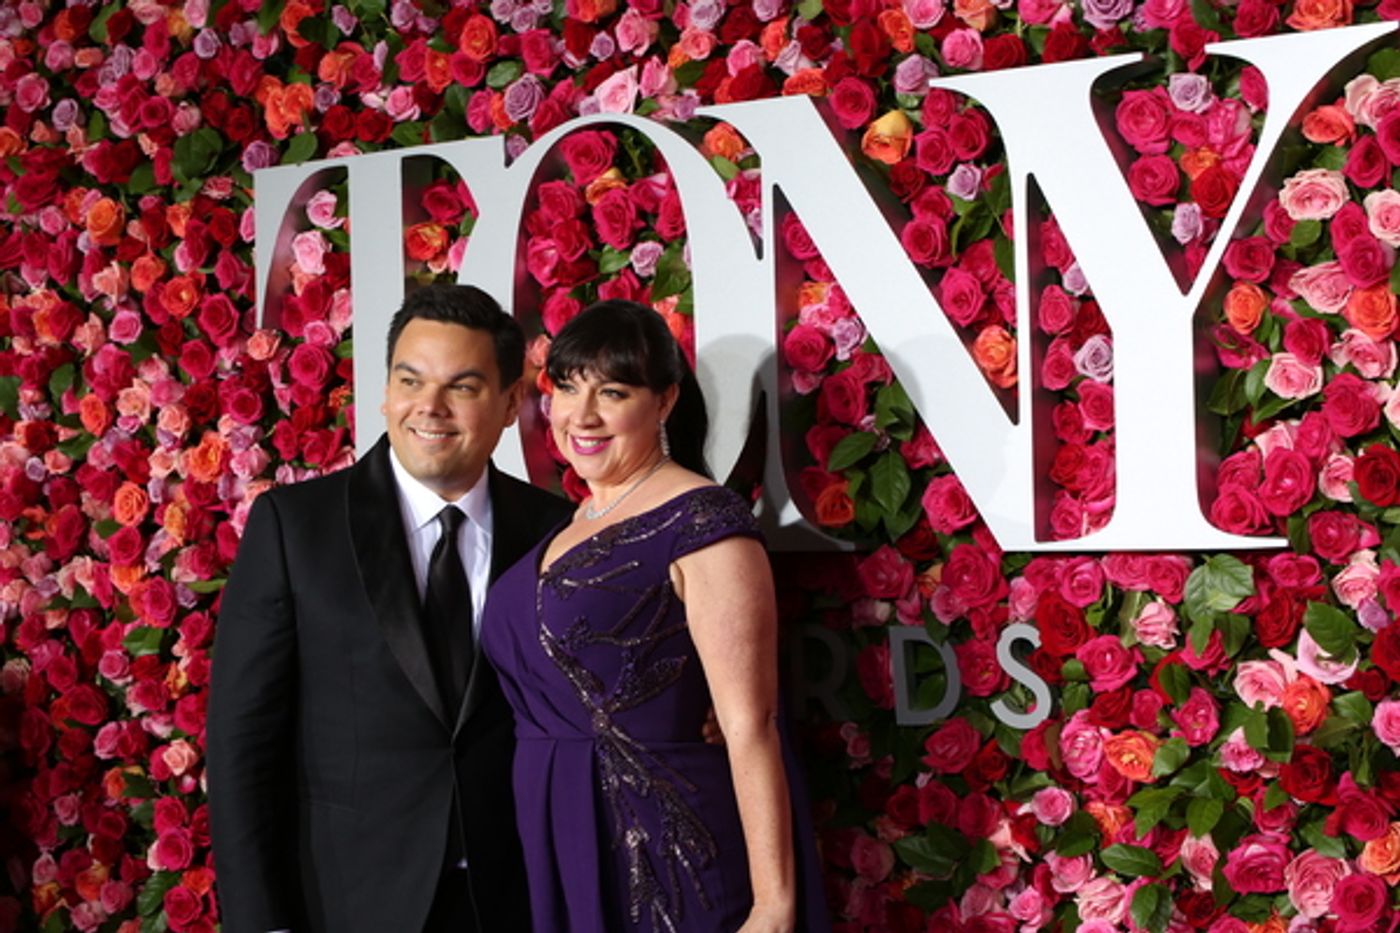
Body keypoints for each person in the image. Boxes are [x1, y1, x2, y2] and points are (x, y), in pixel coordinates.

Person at [207, 285, 572, 933]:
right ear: (385, 390)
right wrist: (260, 921)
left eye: (461, 386)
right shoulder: (297, 528)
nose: (429, 407)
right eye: (410, 380)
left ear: (512, 401)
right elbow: (241, 745)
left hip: (514, 899)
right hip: (349, 900)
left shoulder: (556, 533)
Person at [481, 299, 831, 933]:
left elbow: (750, 725)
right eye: (566, 388)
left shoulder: (702, 521)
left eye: (611, 392)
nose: (580, 416)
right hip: (560, 833)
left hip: (666, 840)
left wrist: (773, 906)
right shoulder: (569, 522)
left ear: (664, 401)